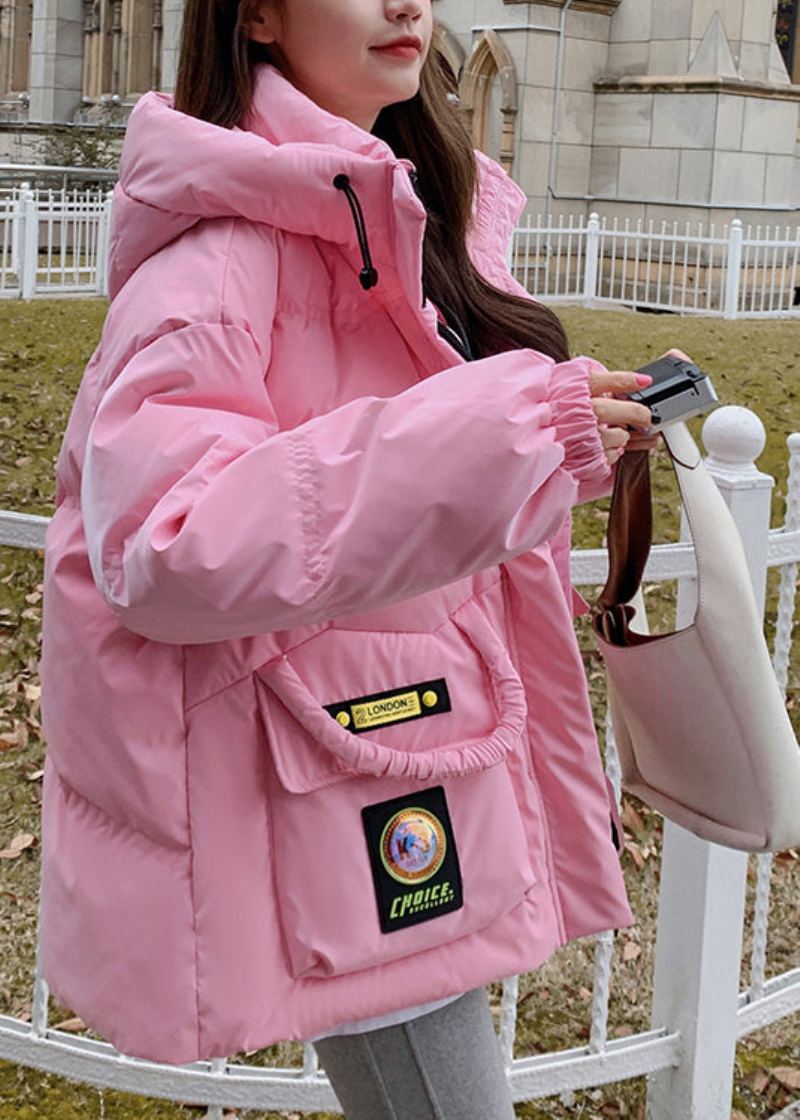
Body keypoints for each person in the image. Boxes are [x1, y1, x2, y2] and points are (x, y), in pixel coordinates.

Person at [38, 1, 674, 1116]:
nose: (406, 6)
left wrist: (571, 418)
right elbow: (168, 540)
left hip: (393, 750)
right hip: (335, 783)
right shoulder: (227, 254)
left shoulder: (393, 214)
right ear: (261, 15)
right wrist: (506, 434)